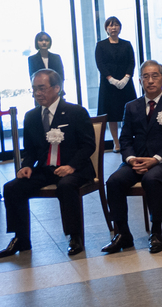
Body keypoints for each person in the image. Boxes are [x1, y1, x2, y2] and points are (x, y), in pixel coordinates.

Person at [1, 69, 95, 258]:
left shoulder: (75, 112)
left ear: (57, 88)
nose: (37, 93)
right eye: (34, 89)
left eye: (42, 88)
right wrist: (26, 165)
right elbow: (31, 150)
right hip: (46, 169)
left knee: (66, 186)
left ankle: (74, 236)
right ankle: (21, 238)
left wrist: (72, 166)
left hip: (75, 168)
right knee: (12, 187)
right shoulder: (31, 116)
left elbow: (88, 145)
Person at [101, 60, 162, 255]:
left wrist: (155, 159)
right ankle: (122, 233)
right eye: (145, 77)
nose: (150, 81)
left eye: (155, 76)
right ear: (140, 81)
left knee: (151, 178)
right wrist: (131, 159)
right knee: (114, 181)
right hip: (137, 161)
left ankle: (156, 232)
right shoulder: (131, 106)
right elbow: (125, 138)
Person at [95, 16, 137, 150]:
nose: (113, 28)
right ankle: (116, 142)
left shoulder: (127, 44)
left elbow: (131, 62)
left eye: (116, 25)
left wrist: (126, 78)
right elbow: (100, 63)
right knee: (111, 114)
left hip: (125, 82)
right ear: (106, 28)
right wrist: (110, 78)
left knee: (128, 112)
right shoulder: (101, 45)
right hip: (109, 83)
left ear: (120, 27)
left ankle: (127, 140)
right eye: (111, 25)